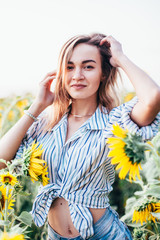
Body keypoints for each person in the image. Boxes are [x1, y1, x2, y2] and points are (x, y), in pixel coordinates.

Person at [0, 33, 160, 240]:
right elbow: (2, 162)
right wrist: (37, 106)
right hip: (55, 236)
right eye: (69, 67)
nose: (77, 75)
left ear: (103, 73)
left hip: (104, 234)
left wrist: (120, 58)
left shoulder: (115, 122)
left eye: (88, 66)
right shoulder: (47, 124)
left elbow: (152, 98)